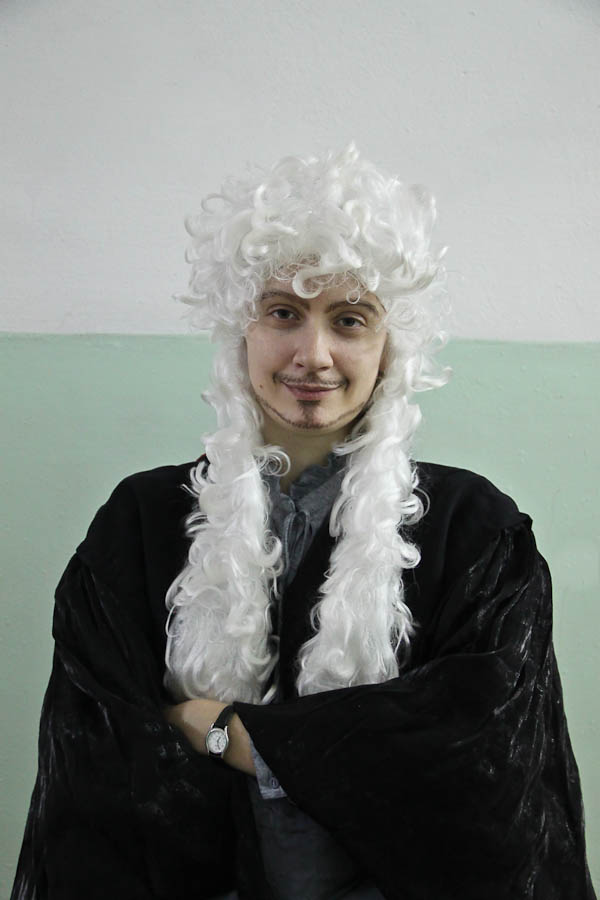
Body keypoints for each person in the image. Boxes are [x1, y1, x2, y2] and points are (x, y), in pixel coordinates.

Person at [11, 143, 596, 900]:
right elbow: (97, 771)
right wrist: (351, 744)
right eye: (283, 313)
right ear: (241, 328)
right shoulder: (140, 524)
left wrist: (227, 733)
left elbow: (482, 768)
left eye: (349, 320)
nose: (313, 355)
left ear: (390, 346)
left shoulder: (476, 532)